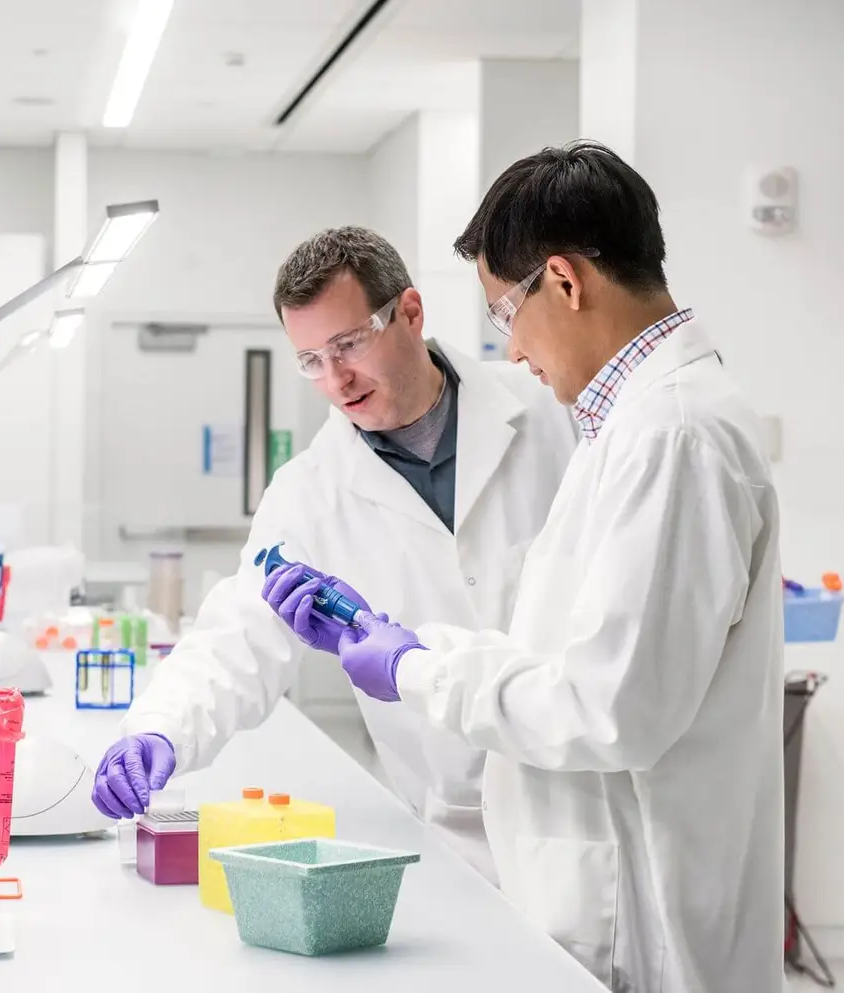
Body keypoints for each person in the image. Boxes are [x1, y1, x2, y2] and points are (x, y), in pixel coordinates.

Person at [263, 145, 785, 993]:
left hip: (638, 921)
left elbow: (608, 708)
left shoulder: (672, 437)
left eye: (507, 315)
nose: (510, 353)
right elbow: (563, 654)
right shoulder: (623, 429)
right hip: (595, 894)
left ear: (565, 281)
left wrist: (415, 668)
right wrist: (405, 644)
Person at [91, 226, 579, 883]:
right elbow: (236, 636)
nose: (335, 377)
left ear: (410, 312)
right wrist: (158, 731)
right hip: (456, 831)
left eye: (348, 344)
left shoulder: (552, 413)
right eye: (311, 359)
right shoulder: (309, 491)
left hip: (586, 805)